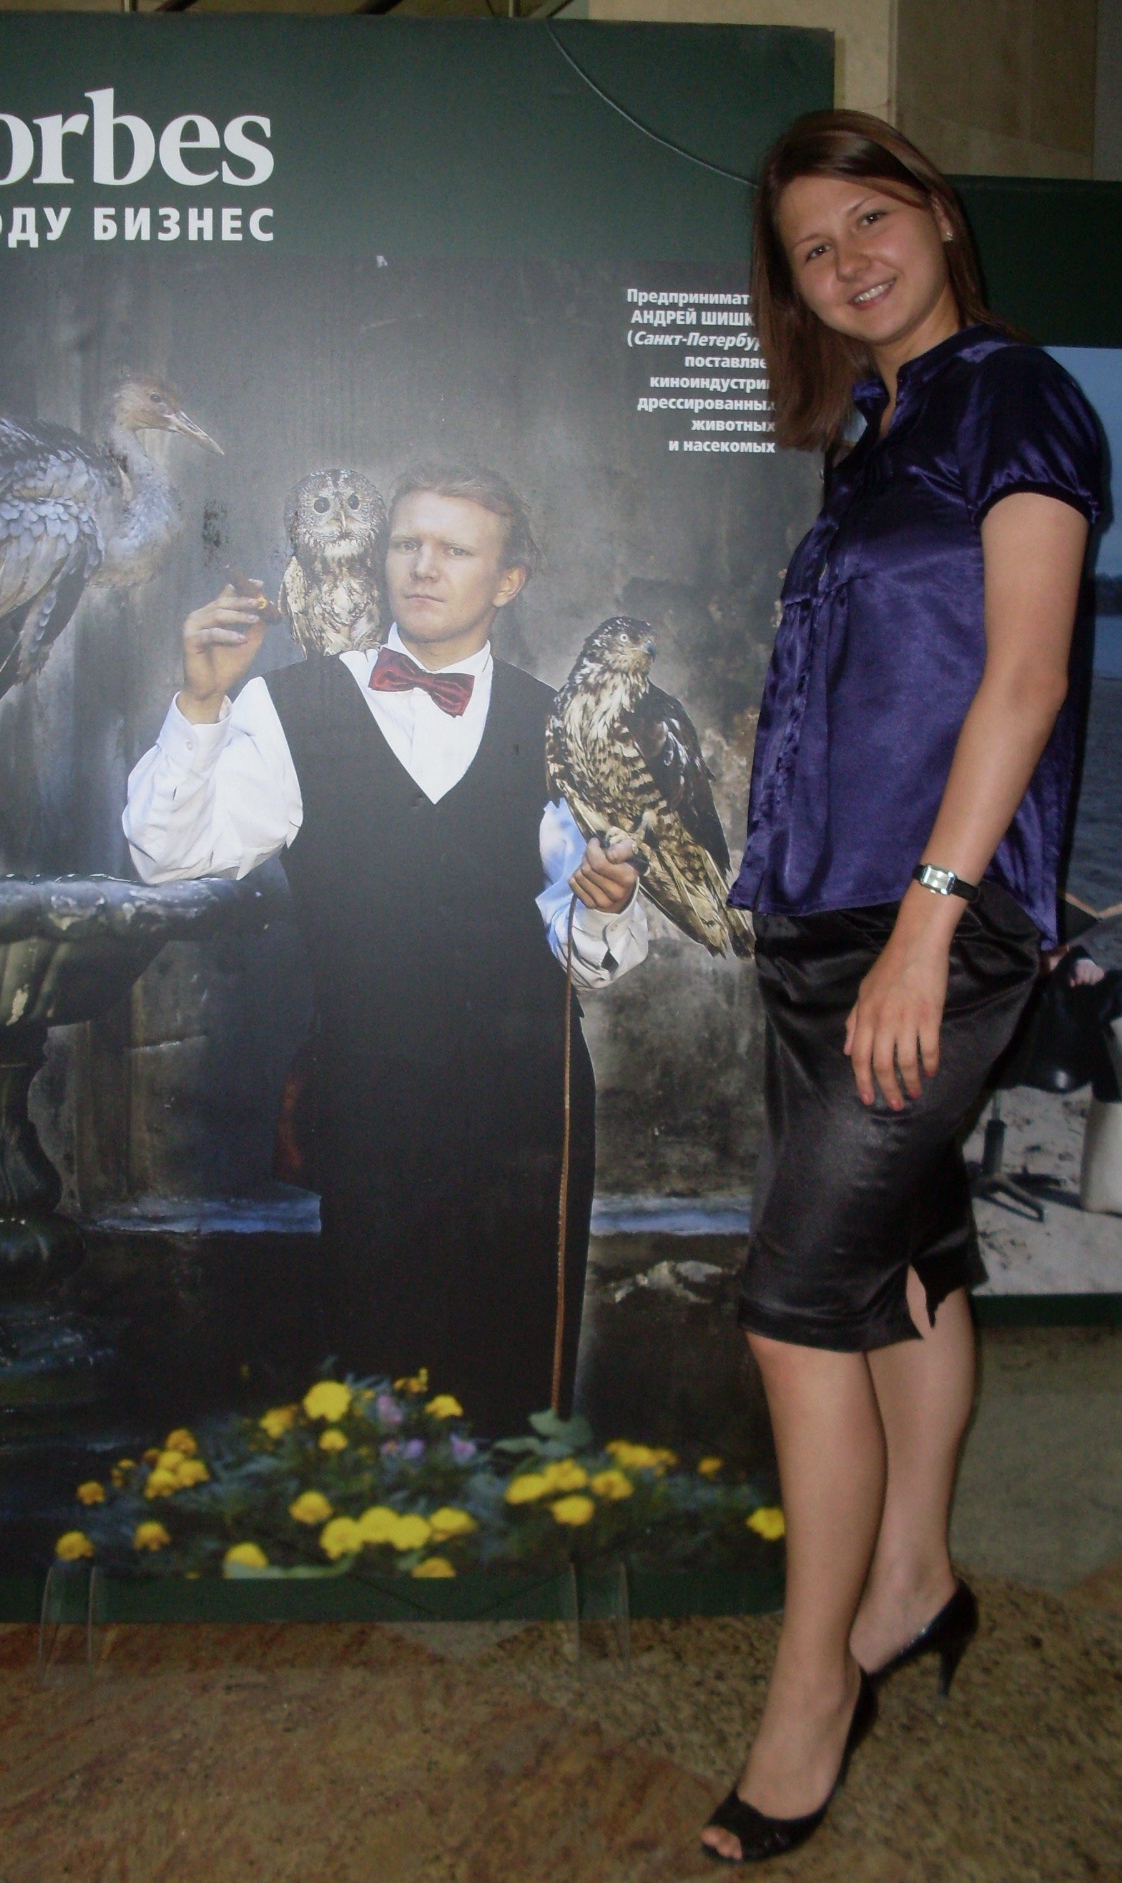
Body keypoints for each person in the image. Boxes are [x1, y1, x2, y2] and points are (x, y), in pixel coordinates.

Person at [704, 111, 1102, 1864]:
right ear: (793, 291)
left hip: (929, 920)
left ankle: (811, 1698)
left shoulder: (1016, 395)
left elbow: (1025, 678)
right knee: (907, 1249)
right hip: (821, 914)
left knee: (797, 1304)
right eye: (814, 247)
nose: (850, 258)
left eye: (872, 215)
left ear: (938, 215)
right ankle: (917, 1575)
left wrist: (930, 928)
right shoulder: (871, 435)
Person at [123, 463, 646, 1437]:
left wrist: (607, 906)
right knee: (378, 1383)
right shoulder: (291, 704)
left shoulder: (561, 725)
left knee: (515, 1391)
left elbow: (592, 957)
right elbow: (168, 856)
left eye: (454, 549)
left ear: (508, 580)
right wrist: (199, 703)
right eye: (407, 543)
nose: (423, 566)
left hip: (529, 1109)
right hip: (369, 1096)